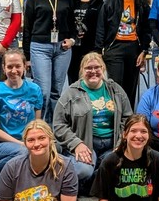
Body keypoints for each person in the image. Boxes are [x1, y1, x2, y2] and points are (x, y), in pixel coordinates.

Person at [53, 53, 132, 188]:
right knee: (83, 171)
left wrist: (121, 143)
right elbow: (59, 125)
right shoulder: (71, 93)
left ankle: (90, 184)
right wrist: (76, 144)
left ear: (103, 69)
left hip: (112, 144)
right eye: (88, 68)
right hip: (85, 143)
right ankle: (91, 177)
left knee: (122, 170)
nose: (93, 71)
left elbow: (128, 119)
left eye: (97, 67)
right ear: (82, 71)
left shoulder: (116, 90)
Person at [0, 49, 44, 189]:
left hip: (26, 141)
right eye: (9, 66)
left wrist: (33, 141)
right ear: (3, 68)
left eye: (18, 66)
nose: (14, 70)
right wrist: (21, 144)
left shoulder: (35, 90)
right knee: (23, 152)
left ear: (25, 67)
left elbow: (37, 123)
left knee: (51, 147)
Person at [23, 0, 75, 121]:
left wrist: (72, 40)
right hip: (40, 48)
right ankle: (39, 124)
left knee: (56, 91)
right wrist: (27, 57)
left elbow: (72, 24)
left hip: (62, 49)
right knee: (43, 91)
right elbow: (27, 29)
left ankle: (53, 125)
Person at [97, 0, 151, 104]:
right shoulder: (110, 1)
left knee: (130, 89)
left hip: (134, 49)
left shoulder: (142, 4)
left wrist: (144, 50)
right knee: (115, 88)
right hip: (114, 48)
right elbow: (101, 27)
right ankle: (115, 116)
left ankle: (128, 116)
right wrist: (98, 51)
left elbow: (147, 29)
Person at [68, 0, 103, 85]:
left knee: (89, 78)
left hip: (90, 47)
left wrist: (98, 48)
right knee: (73, 79)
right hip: (73, 48)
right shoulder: (72, 1)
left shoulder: (99, 3)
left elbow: (101, 26)